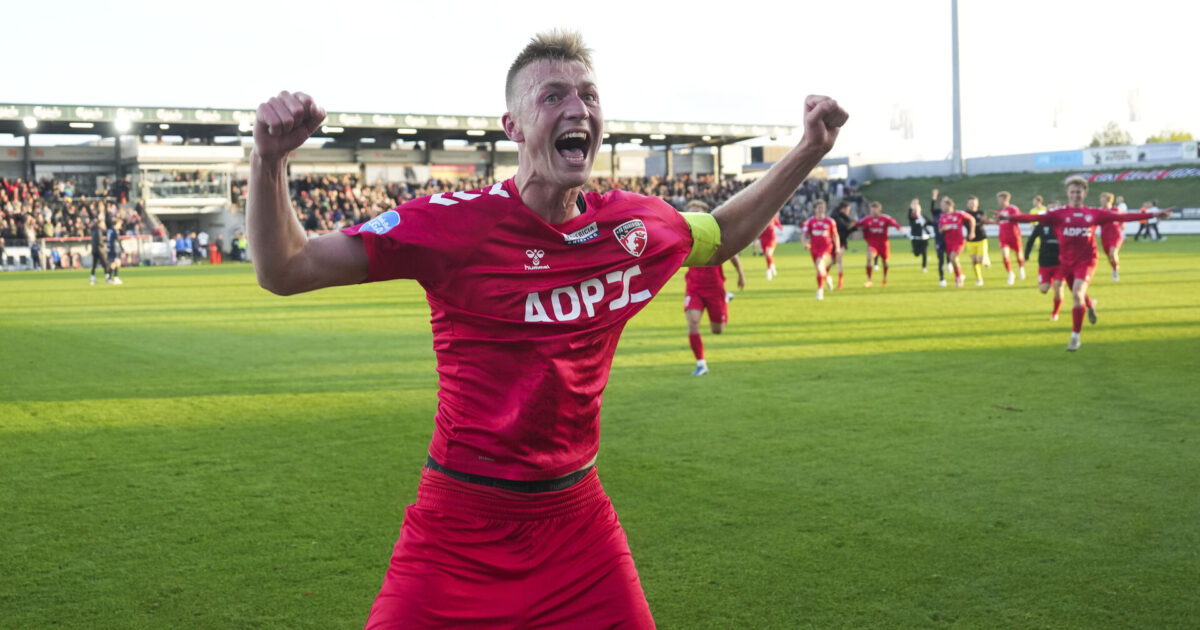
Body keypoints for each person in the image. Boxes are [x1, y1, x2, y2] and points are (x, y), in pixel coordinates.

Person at [247, 30, 847, 628]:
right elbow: (287, 267)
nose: (577, 108)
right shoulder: (453, 225)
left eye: (588, 95)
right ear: (513, 126)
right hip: (460, 527)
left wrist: (809, 148)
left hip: (579, 526)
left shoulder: (632, 228)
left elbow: (719, 235)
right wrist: (269, 159)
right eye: (553, 96)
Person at [1011, 176, 1169, 351]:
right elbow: (1029, 217)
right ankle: (1090, 304)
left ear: (1085, 193)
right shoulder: (1059, 214)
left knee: (1077, 294)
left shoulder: (1094, 213)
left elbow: (1124, 217)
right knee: (1078, 295)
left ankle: (1075, 337)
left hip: (1086, 261)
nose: (1076, 195)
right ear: (1068, 193)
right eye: (1072, 192)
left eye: (1079, 192)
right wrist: (1008, 217)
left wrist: (1153, 214)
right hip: (1065, 262)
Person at [682, 200, 745, 375]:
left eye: (698, 212)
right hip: (694, 288)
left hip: (715, 287)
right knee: (693, 322)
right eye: (692, 212)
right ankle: (701, 364)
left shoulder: (714, 234)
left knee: (717, 330)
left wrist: (740, 273)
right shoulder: (683, 235)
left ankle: (725, 298)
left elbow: (731, 255)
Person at [1023, 213, 1066, 321]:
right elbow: (1031, 240)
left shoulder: (1063, 225)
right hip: (1044, 262)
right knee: (1043, 289)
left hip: (1060, 263)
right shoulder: (1041, 225)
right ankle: (1051, 282)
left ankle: (1055, 313)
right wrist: (1026, 255)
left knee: (1058, 287)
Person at [852, 201, 901, 287]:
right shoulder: (867, 219)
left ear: (879, 210)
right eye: (871, 211)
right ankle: (869, 280)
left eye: (874, 211)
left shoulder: (885, 218)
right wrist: (854, 223)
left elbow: (893, 223)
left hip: (883, 244)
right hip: (873, 244)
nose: (872, 212)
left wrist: (899, 227)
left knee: (885, 262)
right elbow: (858, 224)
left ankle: (884, 278)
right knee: (869, 258)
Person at [801, 199, 840, 300]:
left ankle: (820, 291)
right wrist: (805, 243)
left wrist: (838, 247)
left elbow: (835, 235)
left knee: (819, 265)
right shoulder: (810, 221)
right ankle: (827, 278)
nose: (821, 209)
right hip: (814, 248)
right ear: (815, 209)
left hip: (826, 247)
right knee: (820, 269)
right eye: (819, 207)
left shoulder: (830, 221)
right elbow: (804, 234)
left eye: (822, 207)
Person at [936, 196, 975, 288]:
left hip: (959, 241)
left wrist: (972, 232)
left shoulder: (959, 214)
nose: (941, 207)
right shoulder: (943, 217)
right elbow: (940, 231)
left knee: (953, 257)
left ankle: (959, 277)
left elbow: (972, 219)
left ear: (948, 205)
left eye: (942, 205)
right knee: (954, 261)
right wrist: (943, 229)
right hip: (949, 242)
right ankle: (959, 276)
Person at [992, 191, 1026, 285]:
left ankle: (1021, 268)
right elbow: (997, 222)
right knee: (1005, 255)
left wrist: (1005, 217)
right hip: (1003, 237)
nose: (999, 201)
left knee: (1019, 255)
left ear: (1006, 199)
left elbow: (1018, 218)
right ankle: (1011, 273)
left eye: (1000, 199)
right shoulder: (999, 211)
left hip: (1014, 236)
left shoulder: (1013, 209)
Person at [1097, 192, 1127, 282]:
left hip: (1116, 236)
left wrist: (1121, 226)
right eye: (1101, 201)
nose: (1102, 203)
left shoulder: (1116, 211)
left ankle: (1115, 271)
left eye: (1103, 201)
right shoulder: (1100, 211)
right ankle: (1114, 268)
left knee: (1113, 254)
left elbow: (1123, 223)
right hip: (1105, 237)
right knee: (1109, 257)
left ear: (1109, 201)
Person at [963, 195, 988, 286]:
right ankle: (979, 279)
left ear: (977, 204)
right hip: (970, 240)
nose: (972, 205)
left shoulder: (980, 212)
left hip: (981, 238)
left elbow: (985, 221)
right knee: (974, 261)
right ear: (967, 204)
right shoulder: (965, 214)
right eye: (970, 203)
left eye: (973, 203)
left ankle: (986, 261)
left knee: (980, 260)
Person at [830, 200, 855, 290]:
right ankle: (826, 270)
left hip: (842, 241)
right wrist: (853, 225)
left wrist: (853, 226)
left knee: (839, 259)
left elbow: (849, 228)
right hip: (832, 242)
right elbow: (845, 227)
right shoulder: (835, 217)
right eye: (848, 209)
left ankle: (840, 282)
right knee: (834, 261)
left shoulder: (845, 217)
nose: (848, 211)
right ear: (843, 209)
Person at [907, 197, 935, 273]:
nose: (916, 210)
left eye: (917, 209)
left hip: (925, 238)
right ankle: (915, 251)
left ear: (920, 209)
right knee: (916, 254)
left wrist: (938, 223)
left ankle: (924, 267)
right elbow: (909, 213)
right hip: (915, 239)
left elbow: (931, 223)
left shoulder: (923, 217)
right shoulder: (912, 218)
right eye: (914, 209)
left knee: (924, 252)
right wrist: (912, 204)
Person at [929, 188, 948, 285]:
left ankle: (949, 264)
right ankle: (942, 279)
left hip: (949, 239)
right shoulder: (937, 213)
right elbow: (931, 209)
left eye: (946, 203)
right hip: (939, 240)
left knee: (950, 255)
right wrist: (934, 197)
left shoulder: (951, 214)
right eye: (943, 202)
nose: (944, 205)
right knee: (940, 259)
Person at [759, 212, 782, 280]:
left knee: (769, 254)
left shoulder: (773, 216)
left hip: (771, 238)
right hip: (763, 238)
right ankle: (772, 265)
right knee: (767, 255)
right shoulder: (760, 218)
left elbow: (777, 223)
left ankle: (768, 270)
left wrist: (780, 227)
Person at [90, 216, 108, 284]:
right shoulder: (99, 230)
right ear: (100, 223)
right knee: (105, 264)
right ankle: (107, 278)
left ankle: (92, 279)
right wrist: (103, 245)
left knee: (94, 265)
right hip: (99, 250)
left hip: (94, 249)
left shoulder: (94, 229)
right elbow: (99, 240)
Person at [106, 218, 123, 284]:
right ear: (116, 224)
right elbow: (117, 241)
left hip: (110, 249)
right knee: (115, 263)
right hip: (113, 249)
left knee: (115, 263)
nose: (120, 226)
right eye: (119, 224)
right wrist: (121, 248)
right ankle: (111, 278)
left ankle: (112, 278)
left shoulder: (110, 230)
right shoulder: (114, 231)